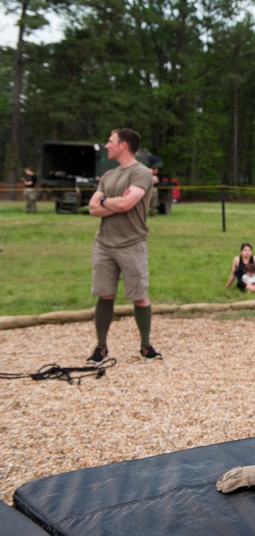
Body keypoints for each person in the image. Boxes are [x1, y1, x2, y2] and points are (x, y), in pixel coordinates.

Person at [86, 128, 161, 363]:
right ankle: (100, 348)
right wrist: (112, 203)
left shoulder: (142, 173)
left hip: (131, 244)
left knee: (139, 296)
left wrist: (105, 201)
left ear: (123, 145)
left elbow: (128, 204)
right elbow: (91, 208)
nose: (106, 145)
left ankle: (146, 346)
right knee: (105, 294)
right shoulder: (108, 176)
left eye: (110, 141)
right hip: (104, 244)